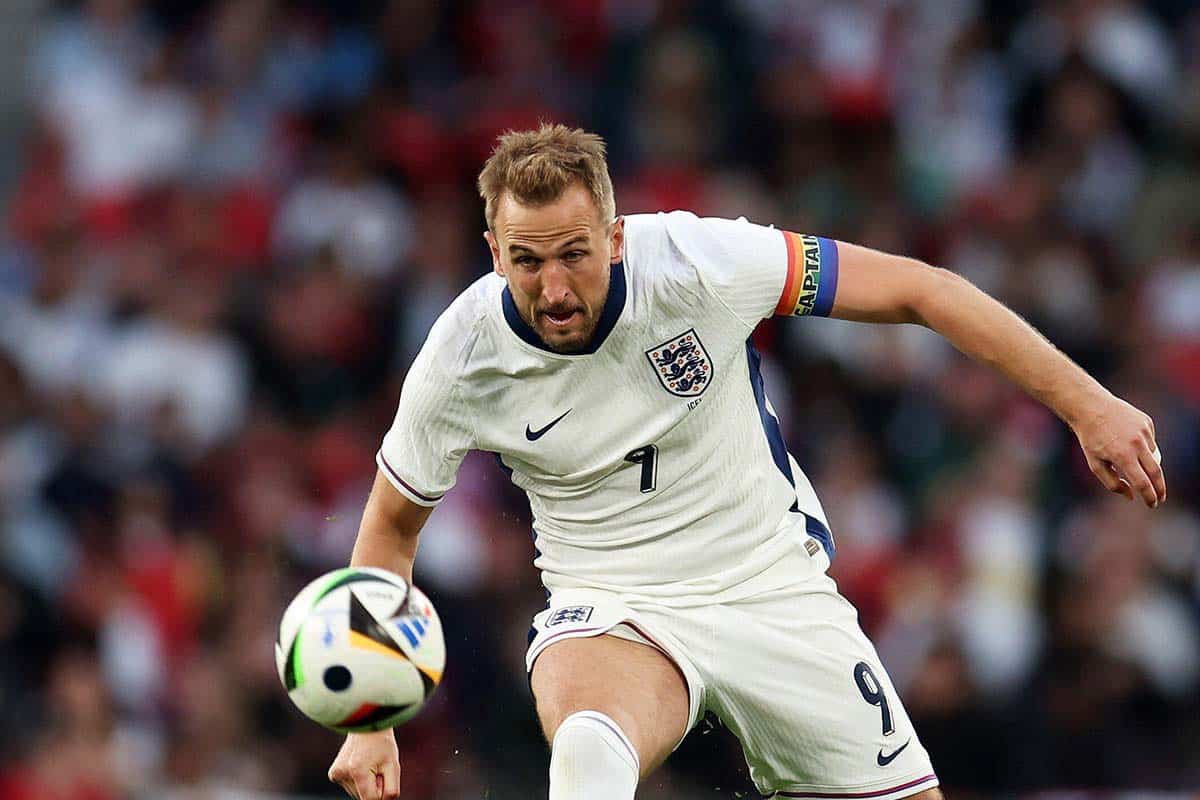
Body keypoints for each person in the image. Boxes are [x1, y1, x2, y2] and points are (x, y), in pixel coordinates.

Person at [326, 124, 1166, 800]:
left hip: (772, 584)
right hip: (614, 601)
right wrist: (371, 716)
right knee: (588, 745)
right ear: (492, 250)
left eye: (574, 253)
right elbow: (390, 530)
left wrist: (1088, 405)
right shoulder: (461, 355)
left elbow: (923, 291)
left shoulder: (701, 265)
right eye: (527, 260)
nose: (552, 288)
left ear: (616, 238)